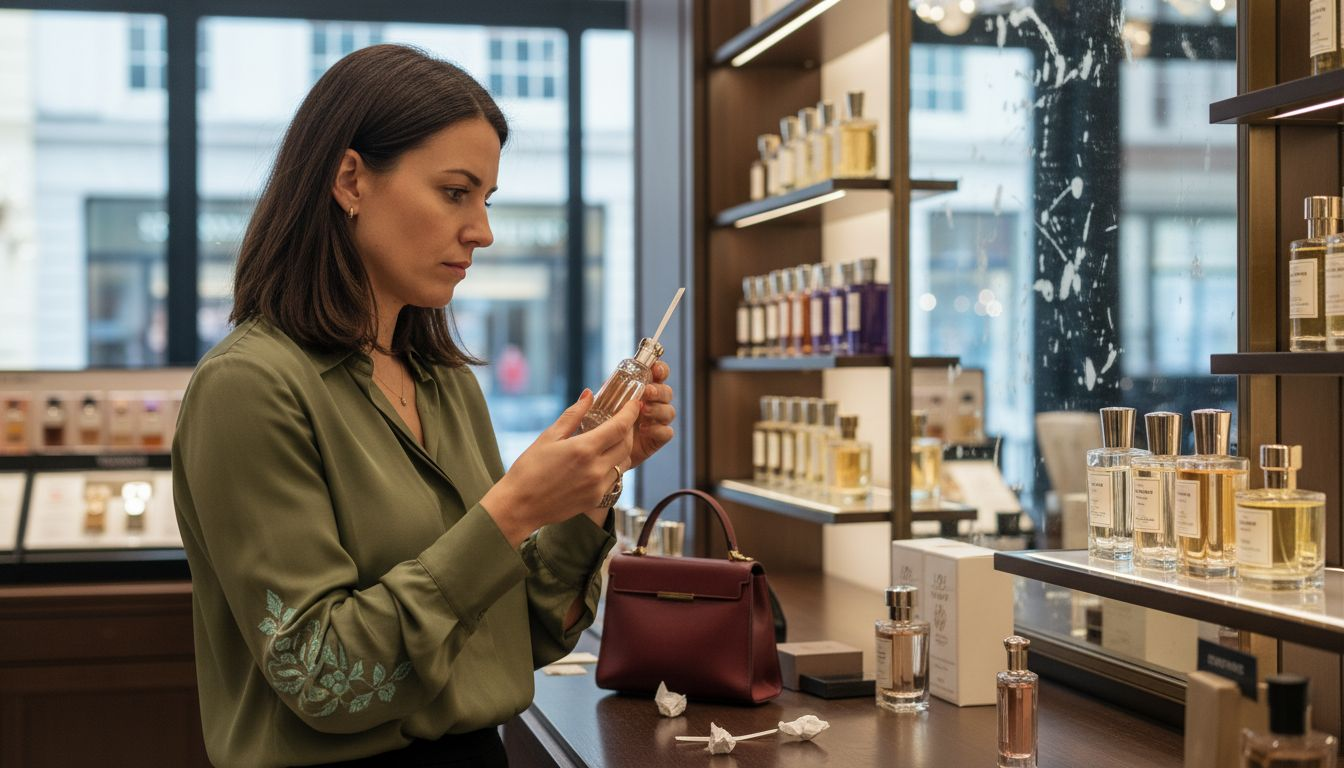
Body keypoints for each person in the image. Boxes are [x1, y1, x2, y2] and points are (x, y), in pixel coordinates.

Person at [171, 44, 675, 768]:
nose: (483, 230)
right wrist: (513, 511)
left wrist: (590, 488)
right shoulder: (250, 388)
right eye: (454, 192)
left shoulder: (443, 381)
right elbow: (323, 678)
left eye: (486, 200)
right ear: (351, 179)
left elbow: (526, 636)